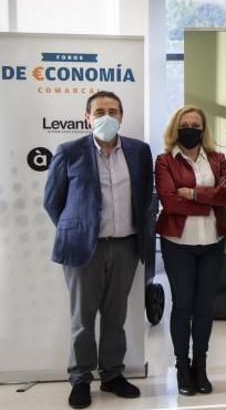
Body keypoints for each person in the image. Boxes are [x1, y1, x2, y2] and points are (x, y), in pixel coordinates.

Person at [43, 91, 154, 409]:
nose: (107, 116)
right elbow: (53, 202)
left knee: (116, 316)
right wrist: (78, 229)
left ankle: (112, 375)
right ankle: (80, 379)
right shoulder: (69, 151)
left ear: (121, 115)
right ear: (87, 117)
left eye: (113, 111)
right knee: (82, 318)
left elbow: (145, 196)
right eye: (100, 111)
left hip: (126, 247)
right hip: (83, 250)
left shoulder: (138, 151)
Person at [155, 105, 226, 396]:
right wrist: (207, 202)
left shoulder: (217, 158)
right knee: (183, 305)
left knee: (205, 308)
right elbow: (170, 202)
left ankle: (200, 365)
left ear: (203, 129)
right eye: (185, 124)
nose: (190, 129)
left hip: (212, 243)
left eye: (196, 125)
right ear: (176, 128)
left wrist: (194, 193)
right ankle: (181, 366)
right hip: (178, 245)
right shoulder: (164, 161)